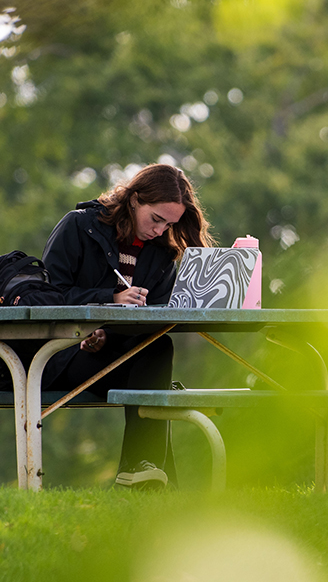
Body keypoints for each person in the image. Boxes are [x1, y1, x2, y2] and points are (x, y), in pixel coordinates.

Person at [41, 163, 214, 489]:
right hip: (60, 352)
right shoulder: (79, 226)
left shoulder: (162, 253)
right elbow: (48, 295)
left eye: (170, 224)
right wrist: (111, 298)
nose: (160, 230)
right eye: (156, 219)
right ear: (134, 199)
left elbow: (156, 318)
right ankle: (145, 474)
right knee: (155, 373)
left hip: (117, 351)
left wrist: (110, 331)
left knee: (158, 348)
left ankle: (142, 474)